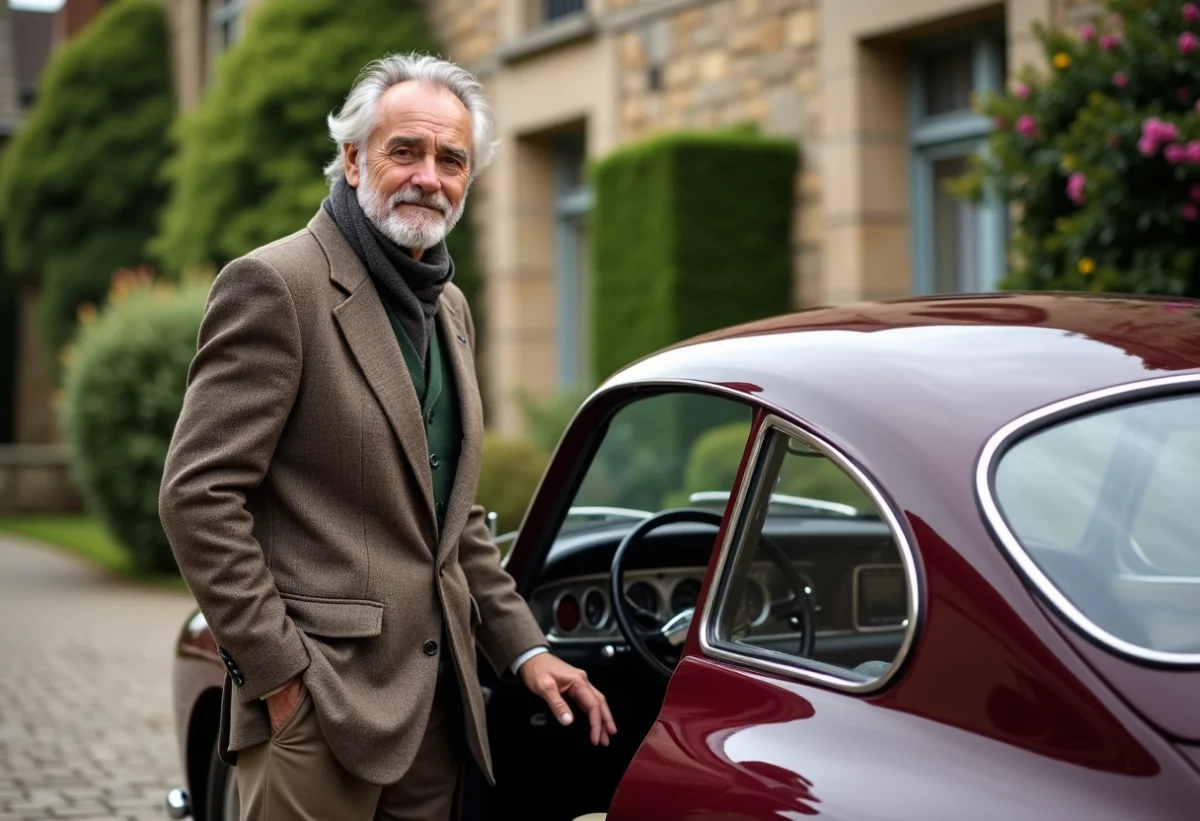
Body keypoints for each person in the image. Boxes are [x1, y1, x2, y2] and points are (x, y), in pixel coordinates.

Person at [158, 52, 616, 821]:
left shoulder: (451, 309)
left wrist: (527, 650)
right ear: (352, 157)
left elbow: (453, 519)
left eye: (451, 159)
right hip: (315, 712)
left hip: (437, 715)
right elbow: (197, 497)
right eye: (404, 150)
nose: (427, 176)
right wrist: (280, 676)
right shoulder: (277, 285)